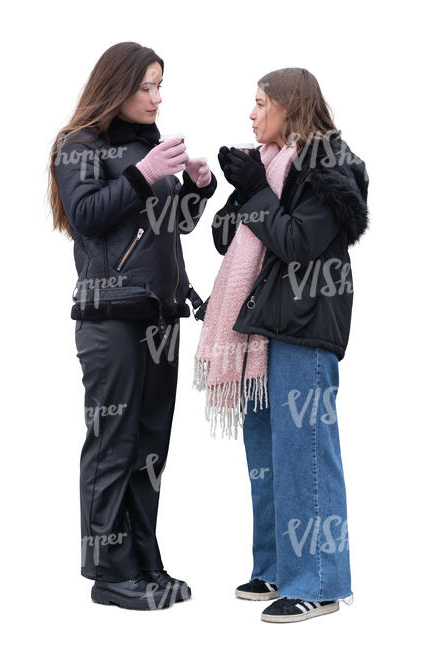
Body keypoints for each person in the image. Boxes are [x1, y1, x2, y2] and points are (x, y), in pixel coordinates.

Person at [194, 67, 369, 623]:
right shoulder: (270, 165)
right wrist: (234, 189)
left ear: (290, 108)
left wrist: (253, 190)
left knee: (305, 454)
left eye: (260, 102)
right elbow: (226, 238)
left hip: (305, 326)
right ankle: (275, 568)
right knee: (267, 456)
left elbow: (299, 242)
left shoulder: (331, 164)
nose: (251, 113)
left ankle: (318, 582)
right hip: (262, 333)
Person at [48, 41, 217, 610]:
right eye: (145, 86)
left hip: (161, 316)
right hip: (109, 315)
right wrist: (146, 175)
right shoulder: (78, 146)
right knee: (113, 442)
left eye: (159, 85)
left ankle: (144, 561)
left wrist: (194, 187)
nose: (155, 97)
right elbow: (88, 217)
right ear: (115, 86)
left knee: (150, 447)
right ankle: (109, 572)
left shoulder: (148, 145)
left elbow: (175, 226)